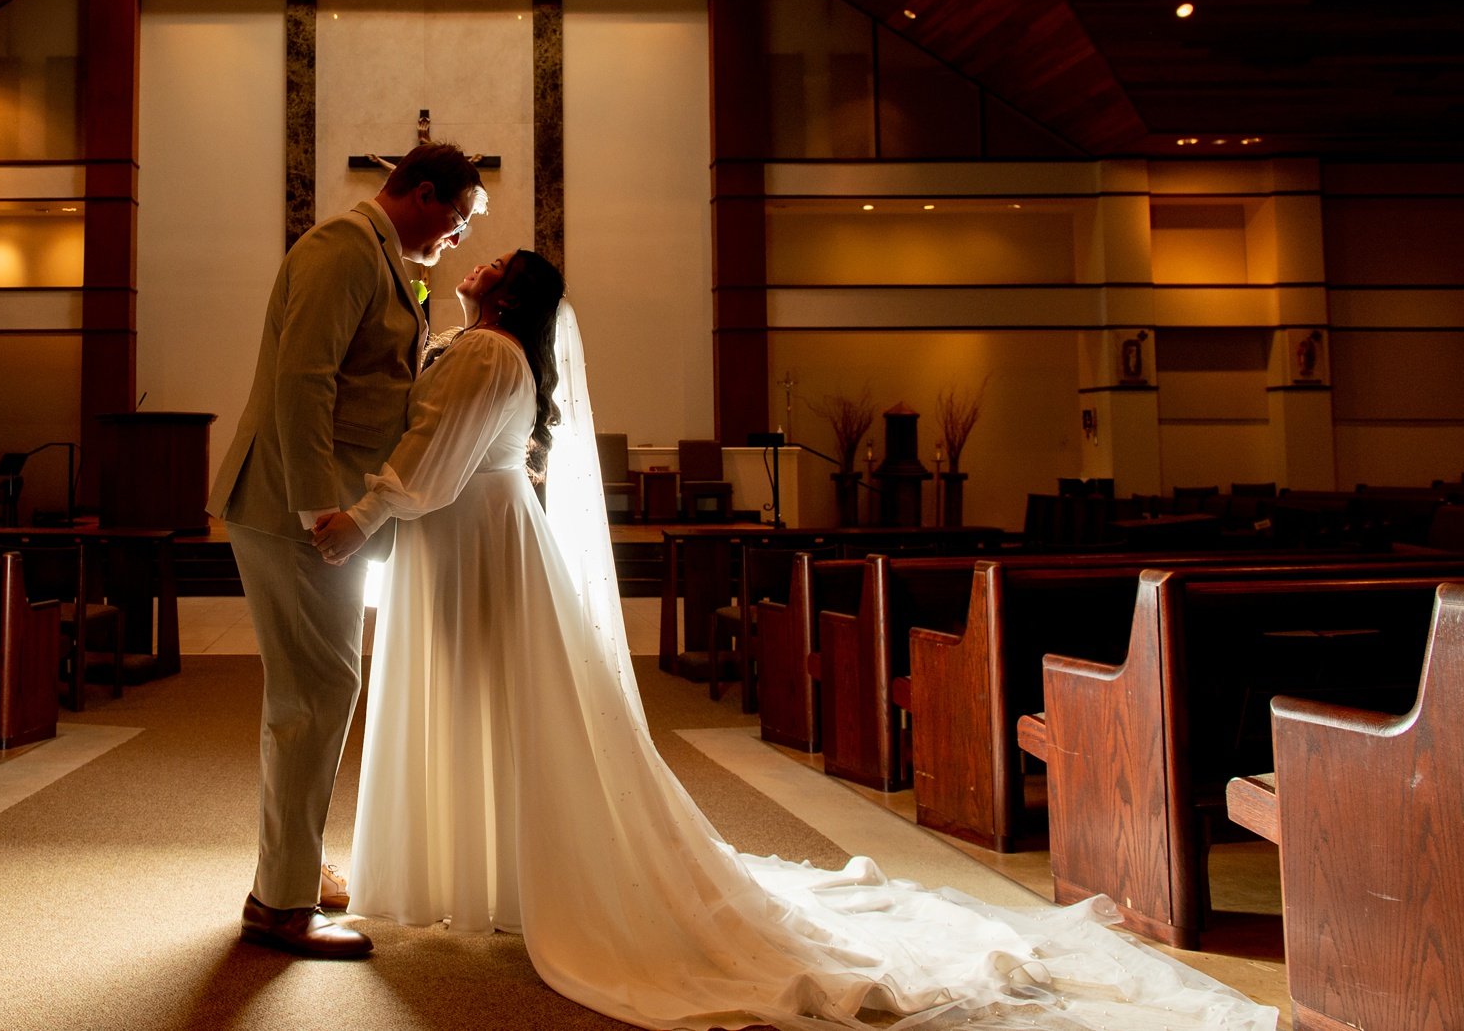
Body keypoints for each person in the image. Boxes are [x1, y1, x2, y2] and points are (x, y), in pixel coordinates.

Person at [309, 251, 1273, 1030]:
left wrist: (361, 517)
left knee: (495, 705)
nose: (479, 261)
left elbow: (429, 464)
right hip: (478, 544)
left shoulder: (488, 356)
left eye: (498, 261)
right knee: (499, 709)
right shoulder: (486, 353)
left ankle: (505, 871)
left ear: (512, 294)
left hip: (472, 545)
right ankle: (481, 869)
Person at [206, 142, 485, 959]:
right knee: (320, 690)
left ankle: (291, 868)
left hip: (310, 499)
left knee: (308, 690)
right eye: (458, 218)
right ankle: (281, 905)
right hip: (298, 505)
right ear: (423, 194)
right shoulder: (341, 247)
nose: (458, 237)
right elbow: (305, 381)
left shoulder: (382, 257)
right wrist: (321, 507)